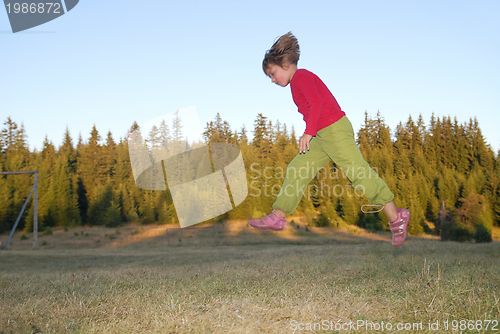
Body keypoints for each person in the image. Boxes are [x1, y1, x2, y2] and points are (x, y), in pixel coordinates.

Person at [248, 32, 410, 247]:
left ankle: (395, 217)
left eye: (272, 73)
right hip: (322, 135)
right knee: (298, 167)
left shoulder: (302, 76)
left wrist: (308, 131)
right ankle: (278, 215)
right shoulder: (296, 83)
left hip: (333, 129)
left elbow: (316, 104)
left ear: (285, 64)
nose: (272, 79)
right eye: (269, 76)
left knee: (358, 172)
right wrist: (313, 132)